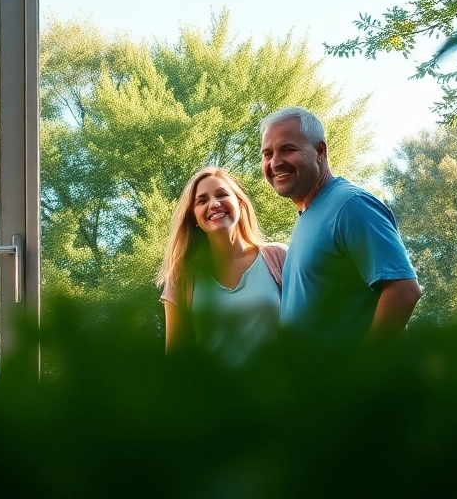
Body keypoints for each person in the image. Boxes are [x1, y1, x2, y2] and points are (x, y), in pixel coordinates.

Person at [259, 107, 421, 342]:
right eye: (267, 154)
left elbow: (404, 290)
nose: (275, 162)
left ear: (319, 151)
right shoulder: (310, 214)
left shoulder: (350, 206)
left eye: (288, 149)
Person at [158, 166, 287, 362]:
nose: (214, 204)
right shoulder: (182, 275)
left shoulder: (278, 257)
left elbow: (308, 329)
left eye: (222, 194)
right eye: (202, 201)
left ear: (240, 203)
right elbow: (175, 360)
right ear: (194, 218)